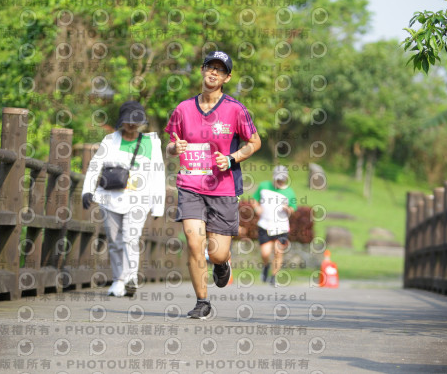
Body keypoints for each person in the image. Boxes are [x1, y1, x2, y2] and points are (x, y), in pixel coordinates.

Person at [164, 50, 261, 319]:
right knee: (194, 243)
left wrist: (231, 158)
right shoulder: (183, 109)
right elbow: (171, 145)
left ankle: (221, 264)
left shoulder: (235, 109)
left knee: (217, 254)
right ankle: (202, 301)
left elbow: (255, 143)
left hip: (223, 188)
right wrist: (175, 146)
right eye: (210, 66)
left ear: (227, 77)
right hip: (191, 184)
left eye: (220, 69)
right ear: (202, 70)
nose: (213, 72)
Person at [82, 101, 166, 297]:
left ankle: (130, 278)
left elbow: (158, 173)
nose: (131, 126)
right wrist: (87, 190)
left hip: (139, 199)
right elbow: (95, 166)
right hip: (110, 198)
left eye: (135, 122)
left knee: (130, 238)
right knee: (114, 240)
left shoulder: (151, 142)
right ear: (121, 122)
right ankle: (118, 280)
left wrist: (158, 206)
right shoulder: (110, 140)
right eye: (128, 122)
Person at [251, 165, 297, 286]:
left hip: (281, 226)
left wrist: (288, 210)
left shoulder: (289, 192)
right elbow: (254, 200)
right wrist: (257, 208)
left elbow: (293, 208)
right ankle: (266, 266)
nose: (280, 181)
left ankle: (273, 276)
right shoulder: (264, 186)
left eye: (282, 178)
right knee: (265, 253)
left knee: (278, 252)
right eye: (278, 178)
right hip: (265, 224)